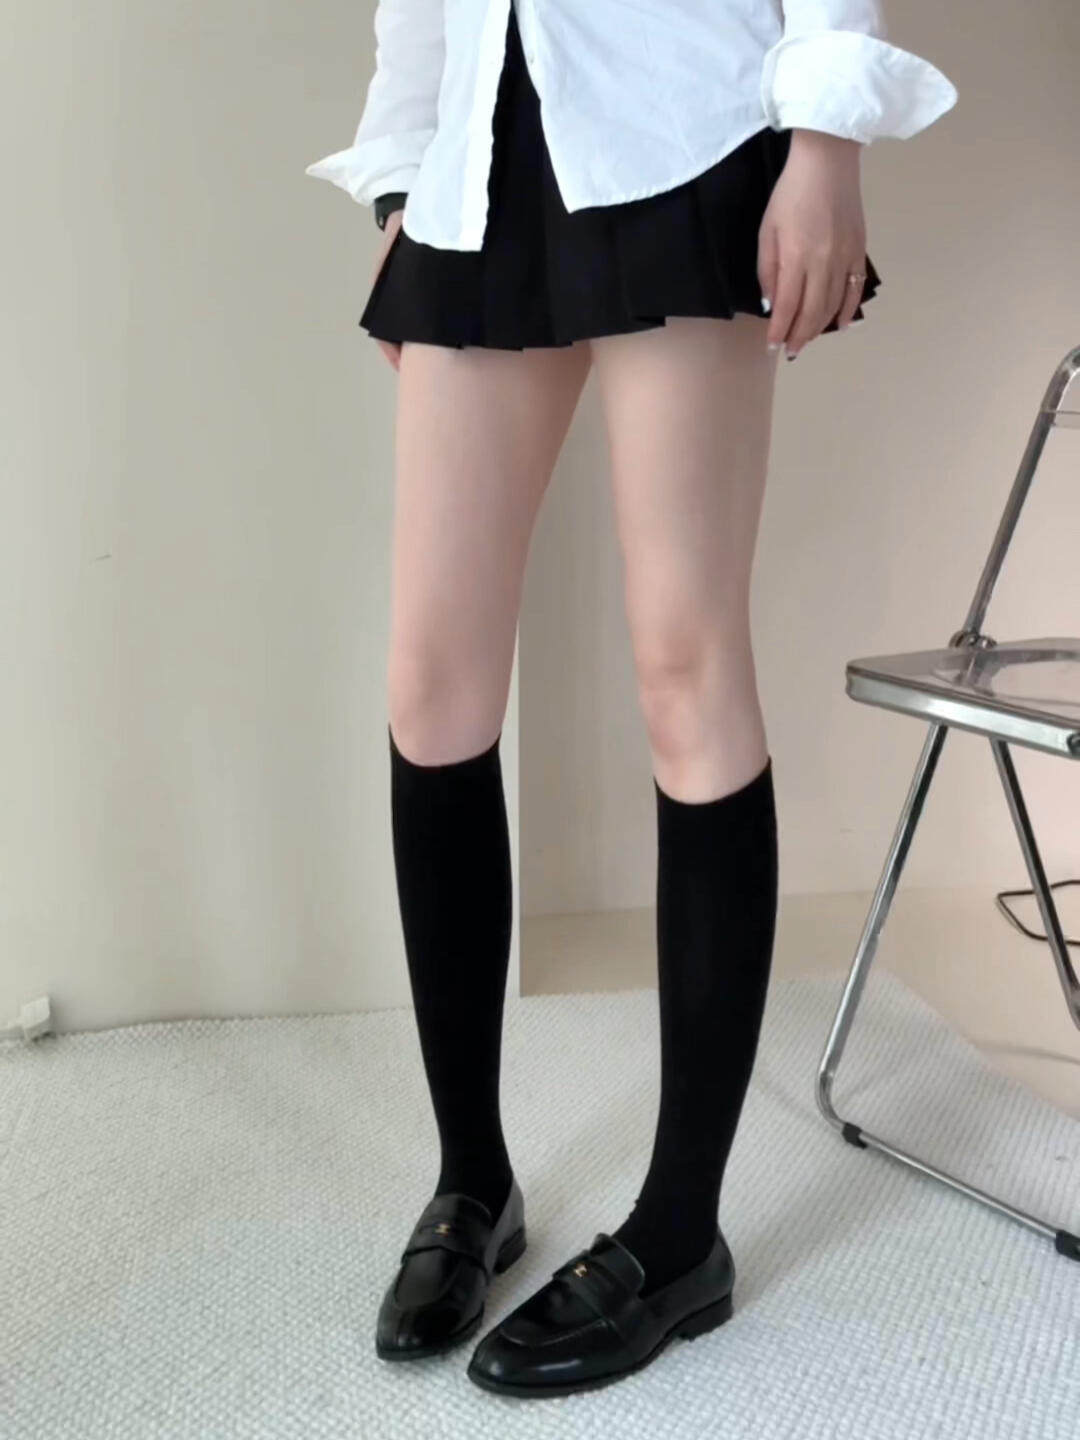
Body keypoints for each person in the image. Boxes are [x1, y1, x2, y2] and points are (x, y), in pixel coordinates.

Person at [305, 0, 957, 1400]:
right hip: (480, 160)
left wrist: (827, 141)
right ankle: (471, 1180)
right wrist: (404, 179)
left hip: (685, 132)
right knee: (432, 683)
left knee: (685, 665)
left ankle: (677, 1235)